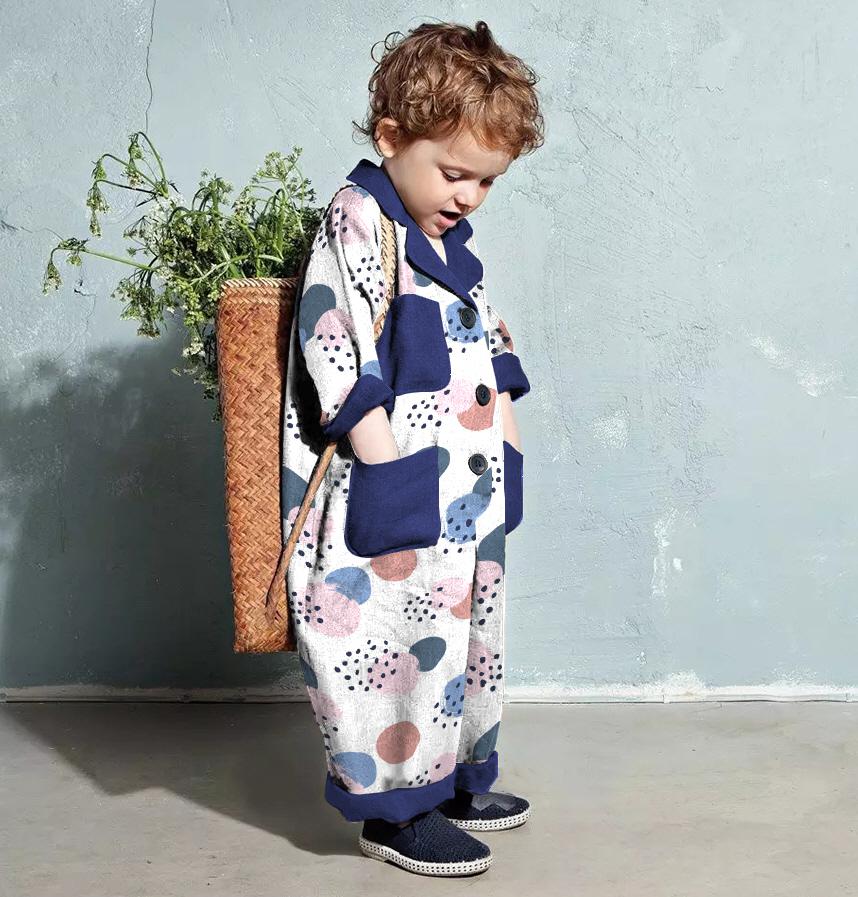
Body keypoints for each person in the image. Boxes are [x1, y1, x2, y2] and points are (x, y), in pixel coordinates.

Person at [280, 19, 544, 877]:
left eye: (487, 180)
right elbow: (336, 344)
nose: (470, 196)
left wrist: (509, 443)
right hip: (397, 483)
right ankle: (396, 811)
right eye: (454, 173)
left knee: (466, 639)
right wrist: (386, 468)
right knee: (394, 642)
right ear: (392, 139)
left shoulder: (448, 242)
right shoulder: (359, 219)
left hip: (466, 494)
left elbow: (490, 346)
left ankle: (454, 777)